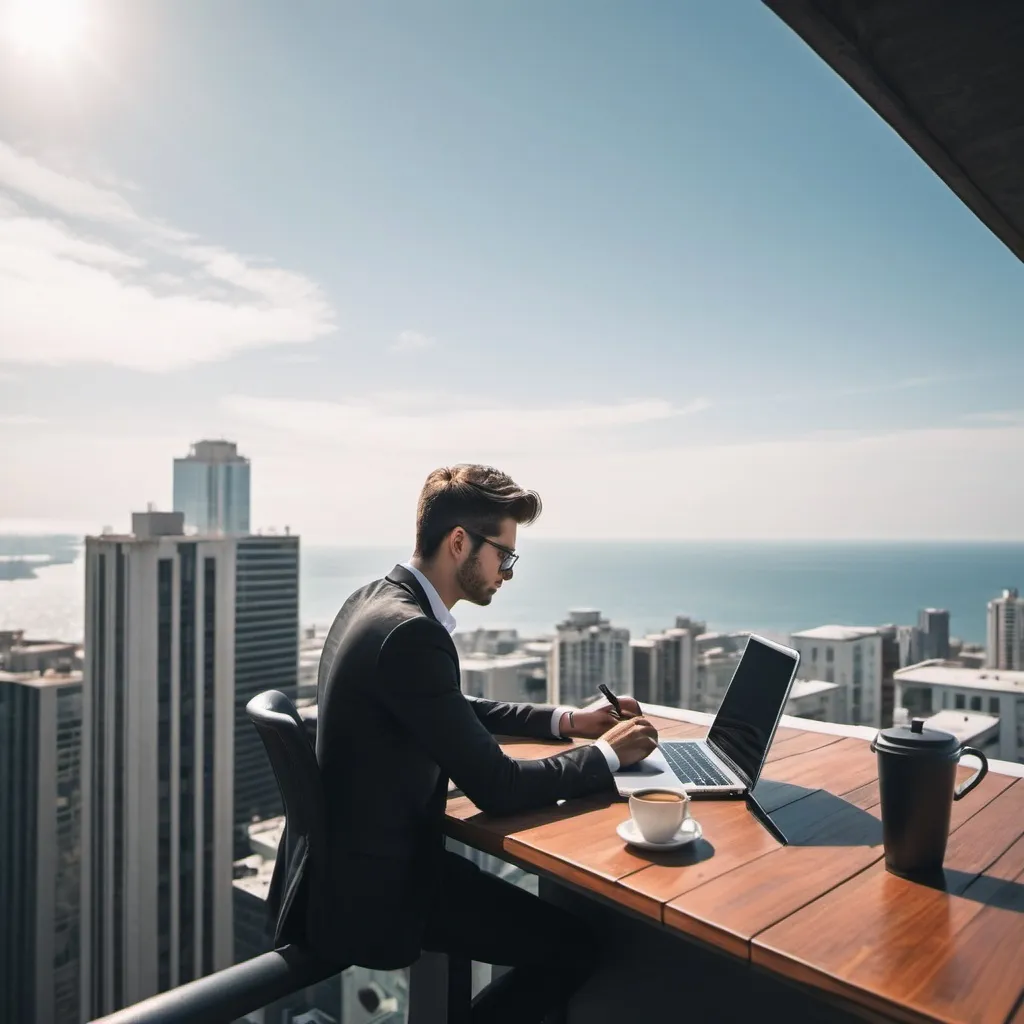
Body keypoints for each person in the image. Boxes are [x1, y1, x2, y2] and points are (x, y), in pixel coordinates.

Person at [281, 464, 659, 1022]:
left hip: (355, 870)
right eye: (503, 555)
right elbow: (499, 787)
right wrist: (609, 755)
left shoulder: (373, 601)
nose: (507, 572)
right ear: (460, 542)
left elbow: (446, 707)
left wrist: (569, 721)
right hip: (387, 889)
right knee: (576, 947)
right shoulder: (412, 633)